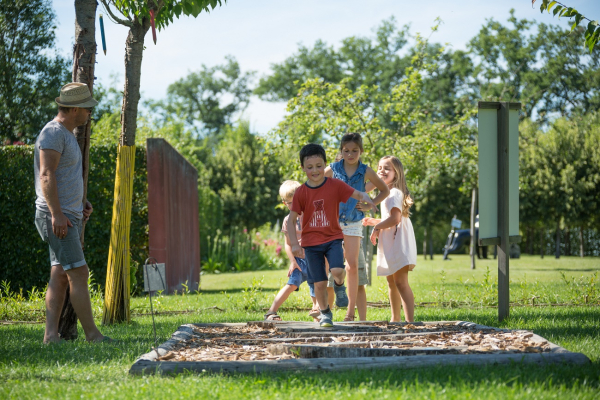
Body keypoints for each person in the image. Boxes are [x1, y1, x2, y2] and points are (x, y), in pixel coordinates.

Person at [34, 83, 112, 343]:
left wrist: (82, 201)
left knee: (60, 274)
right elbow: (46, 174)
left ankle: (50, 336)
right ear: (76, 108)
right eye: (88, 109)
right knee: (79, 272)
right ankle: (93, 335)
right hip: (57, 217)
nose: (90, 113)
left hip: (67, 214)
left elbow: (64, 176)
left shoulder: (65, 134)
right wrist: (56, 214)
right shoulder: (53, 132)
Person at [288, 143, 377, 327]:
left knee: (337, 271)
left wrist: (367, 199)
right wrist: (295, 245)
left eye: (319, 166)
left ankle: (339, 285)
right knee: (319, 283)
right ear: (303, 168)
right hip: (311, 244)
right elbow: (291, 220)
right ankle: (326, 313)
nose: (315, 170)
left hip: (332, 238)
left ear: (325, 164)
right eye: (310, 167)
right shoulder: (301, 193)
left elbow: (356, 193)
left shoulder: (335, 185)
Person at [324, 133, 389, 321]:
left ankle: (350, 313)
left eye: (354, 151)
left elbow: (384, 189)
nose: (350, 154)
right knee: (327, 265)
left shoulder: (365, 170)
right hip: (333, 222)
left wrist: (371, 204)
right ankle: (327, 302)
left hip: (353, 222)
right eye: (346, 151)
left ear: (361, 151)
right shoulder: (333, 168)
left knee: (352, 266)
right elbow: (316, 183)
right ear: (341, 151)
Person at [363, 156, 417, 322]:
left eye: (387, 168)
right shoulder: (388, 193)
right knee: (392, 282)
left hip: (398, 243)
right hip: (393, 240)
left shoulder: (393, 193)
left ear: (397, 173)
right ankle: (396, 319)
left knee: (400, 282)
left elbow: (395, 220)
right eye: (379, 167)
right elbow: (392, 219)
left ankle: (409, 322)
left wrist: (377, 227)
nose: (381, 171)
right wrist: (375, 222)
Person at [264, 180, 319, 322]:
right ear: (284, 203)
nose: (294, 205)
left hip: (313, 259)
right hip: (299, 261)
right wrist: (293, 262)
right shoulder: (288, 220)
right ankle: (271, 312)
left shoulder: (312, 215)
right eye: (290, 202)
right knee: (291, 284)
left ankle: (316, 314)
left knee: (316, 288)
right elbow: (288, 244)